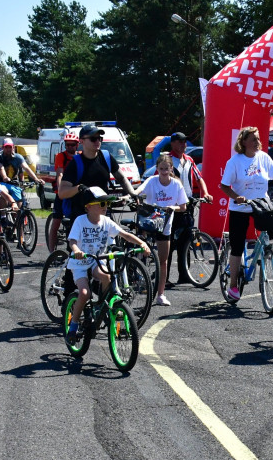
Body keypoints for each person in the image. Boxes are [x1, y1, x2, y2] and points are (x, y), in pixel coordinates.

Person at [218, 126, 273, 302]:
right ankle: (233, 285)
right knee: (237, 247)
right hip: (240, 208)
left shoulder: (264, 158)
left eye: (258, 139)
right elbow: (224, 186)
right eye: (253, 139)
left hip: (261, 205)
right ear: (243, 142)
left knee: (269, 230)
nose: (258, 142)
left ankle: (265, 252)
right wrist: (236, 197)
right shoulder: (235, 161)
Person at [65, 188, 151, 339]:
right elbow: (72, 240)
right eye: (102, 203)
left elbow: (125, 235)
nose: (106, 206)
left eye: (107, 203)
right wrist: (76, 249)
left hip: (96, 260)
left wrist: (142, 243)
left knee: (106, 277)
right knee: (84, 293)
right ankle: (74, 324)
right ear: (88, 206)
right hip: (80, 262)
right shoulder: (80, 221)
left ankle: (101, 307)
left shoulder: (106, 221)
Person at [57, 123, 140, 222]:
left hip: (103, 211)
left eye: (99, 138)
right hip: (81, 215)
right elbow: (62, 193)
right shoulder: (75, 163)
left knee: (114, 235)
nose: (97, 141)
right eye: (93, 139)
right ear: (81, 141)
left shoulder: (106, 157)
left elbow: (121, 178)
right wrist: (79, 188)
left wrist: (133, 194)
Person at [137, 152, 188, 305]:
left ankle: (161, 294)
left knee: (163, 260)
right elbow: (139, 191)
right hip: (149, 222)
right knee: (142, 251)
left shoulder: (176, 184)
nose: (164, 172)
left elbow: (183, 207)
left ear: (171, 169)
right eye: (161, 169)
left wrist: (172, 207)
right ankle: (138, 274)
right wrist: (136, 199)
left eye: (167, 169)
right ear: (157, 169)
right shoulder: (152, 181)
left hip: (165, 226)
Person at [166, 131, 212, 286]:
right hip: (172, 206)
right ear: (172, 143)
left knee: (186, 241)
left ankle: (184, 275)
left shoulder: (189, 160)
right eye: (179, 142)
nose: (183, 145)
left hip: (188, 205)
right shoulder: (167, 160)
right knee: (169, 242)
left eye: (184, 142)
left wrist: (205, 193)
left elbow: (199, 178)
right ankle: (164, 278)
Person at [48, 130, 80, 251]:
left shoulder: (80, 156)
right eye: (67, 145)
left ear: (77, 145)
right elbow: (59, 174)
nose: (69, 147)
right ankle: (51, 252)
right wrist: (62, 191)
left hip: (76, 192)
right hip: (62, 193)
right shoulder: (60, 156)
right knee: (56, 222)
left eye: (72, 145)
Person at [0, 137, 44, 210]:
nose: (8, 149)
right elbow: (1, 168)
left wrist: (36, 179)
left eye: (10, 147)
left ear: (13, 147)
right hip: (2, 183)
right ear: (2, 148)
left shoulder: (18, 157)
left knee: (18, 208)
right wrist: (5, 177)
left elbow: (26, 168)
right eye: (6, 147)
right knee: (3, 193)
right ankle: (3, 217)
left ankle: (18, 220)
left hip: (14, 184)